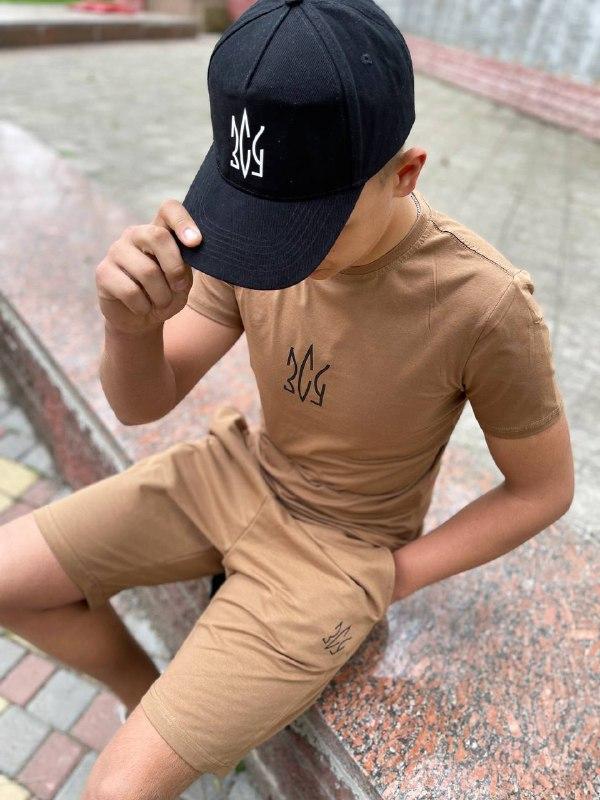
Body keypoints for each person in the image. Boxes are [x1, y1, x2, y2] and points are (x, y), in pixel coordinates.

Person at [0, 0, 574, 797]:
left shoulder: (483, 304)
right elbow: (141, 403)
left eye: (306, 224)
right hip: (238, 470)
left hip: (341, 546)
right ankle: (144, 698)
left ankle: (162, 730)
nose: (272, 252)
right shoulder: (249, 233)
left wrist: (395, 574)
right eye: (255, 216)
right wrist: (129, 327)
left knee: (115, 789)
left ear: (406, 173)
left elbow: (543, 489)